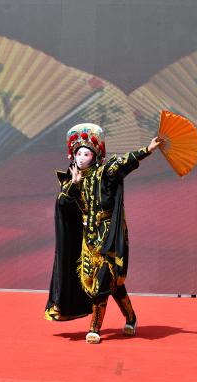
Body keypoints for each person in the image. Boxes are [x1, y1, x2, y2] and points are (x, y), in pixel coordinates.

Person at [45, 123, 164, 344]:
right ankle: (131, 317)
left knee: (101, 285)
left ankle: (94, 329)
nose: (81, 158)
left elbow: (123, 163)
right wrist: (74, 184)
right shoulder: (72, 179)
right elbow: (62, 204)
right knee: (113, 285)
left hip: (107, 237)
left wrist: (147, 150)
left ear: (95, 155)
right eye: (78, 154)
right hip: (87, 241)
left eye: (86, 153)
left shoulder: (105, 172)